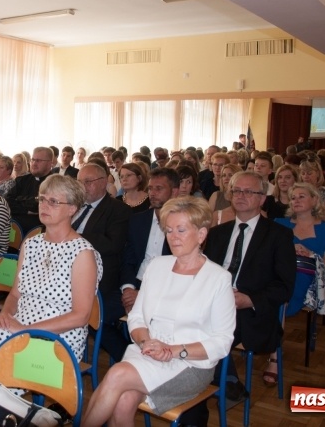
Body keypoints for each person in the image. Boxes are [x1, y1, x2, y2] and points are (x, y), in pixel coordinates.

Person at [0, 175, 102, 425]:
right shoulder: (31, 243)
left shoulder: (82, 253)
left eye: (54, 201)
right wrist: (6, 314)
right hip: (20, 325)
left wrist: (25, 329)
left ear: (73, 210)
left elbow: (79, 316)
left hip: (59, 336)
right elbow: (15, 294)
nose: (44, 206)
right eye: (43, 199)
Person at [82, 197, 235, 426]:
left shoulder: (218, 278)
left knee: (116, 374)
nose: (173, 237)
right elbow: (137, 316)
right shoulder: (157, 266)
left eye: (181, 230)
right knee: (123, 403)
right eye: (169, 230)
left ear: (202, 234)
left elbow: (222, 342)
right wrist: (145, 342)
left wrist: (174, 351)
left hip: (189, 363)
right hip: (147, 352)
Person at [204, 171, 295, 401]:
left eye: (249, 191)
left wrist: (248, 299)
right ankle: (227, 381)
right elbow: (203, 274)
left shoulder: (279, 235)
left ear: (262, 198)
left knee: (204, 336)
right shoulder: (217, 234)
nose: (241, 196)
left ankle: (221, 383)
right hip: (212, 304)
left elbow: (284, 287)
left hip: (250, 312)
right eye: (236, 191)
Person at [268, 183, 325, 385]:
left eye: (301, 196)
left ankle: (273, 357)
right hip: (276, 273)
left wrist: (311, 254)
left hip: (305, 276)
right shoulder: (279, 223)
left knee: (280, 297)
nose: (296, 200)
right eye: (293, 197)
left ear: (315, 200)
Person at [75, 163, 131, 362]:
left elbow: (111, 244)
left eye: (87, 182)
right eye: (80, 182)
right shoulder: (74, 206)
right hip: (69, 276)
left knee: (90, 316)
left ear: (104, 183)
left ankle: (131, 358)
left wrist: (75, 237)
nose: (83, 187)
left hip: (103, 279)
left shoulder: (118, 210)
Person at [120, 168, 180, 314]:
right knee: (102, 314)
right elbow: (128, 258)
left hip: (167, 290)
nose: (152, 193)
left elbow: (179, 268)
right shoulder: (138, 220)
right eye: (150, 189)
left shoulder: (183, 225)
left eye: (159, 189)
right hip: (137, 281)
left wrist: (143, 295)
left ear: (174, 192)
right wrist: (128, 288)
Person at [6, 146, 53, 232]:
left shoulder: (56, 183)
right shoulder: (22, 180)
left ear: (49, 163)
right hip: (15, 229)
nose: (34, 163)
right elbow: (7, 202)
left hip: (41, 230)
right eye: (33, 160)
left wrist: (19, 199)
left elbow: (38, 206)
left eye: (38, 161)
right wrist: (26, 210)